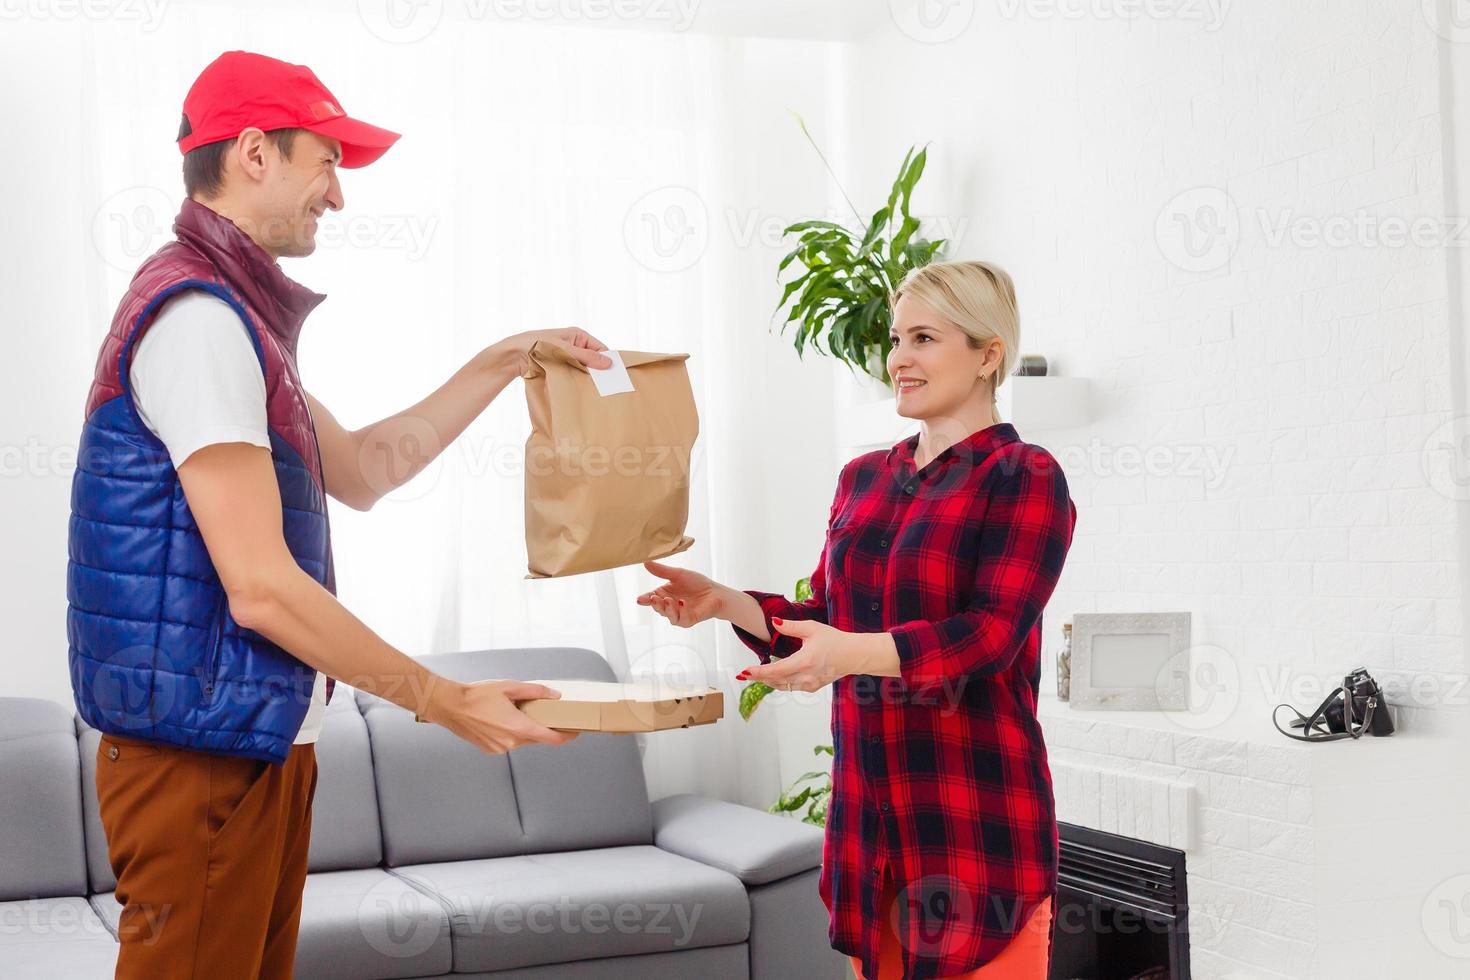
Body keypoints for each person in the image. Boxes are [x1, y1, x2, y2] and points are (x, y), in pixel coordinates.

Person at [67, 51, 607, 979]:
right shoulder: (197, 320)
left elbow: (360, 470)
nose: (338, 195)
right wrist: (444, 701)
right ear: (252, 153)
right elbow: (263, 590)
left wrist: (502, 359)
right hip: (201, 760)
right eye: (326, 162)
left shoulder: (237, 321)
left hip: (253, 746)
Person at [639, 260, 1077, 978]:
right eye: (898, 338)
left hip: (972, 825)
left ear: (988, 354)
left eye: (925, 338)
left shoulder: (1024, 476)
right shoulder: (864, 477)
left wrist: (849, 655)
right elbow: (829, 620)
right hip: (870, 830)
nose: (898, 359)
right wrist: (727, 602)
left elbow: (991, 635)